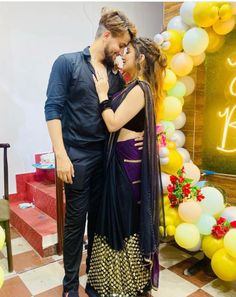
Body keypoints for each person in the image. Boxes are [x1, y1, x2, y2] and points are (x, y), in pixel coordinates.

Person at [44, 9, 137, 297]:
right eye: (120, 44)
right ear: (106, 35)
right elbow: (52, 109)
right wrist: (60, 154)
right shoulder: (68, 63)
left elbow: (123, 113)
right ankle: (70, 287)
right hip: (77, 158)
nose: (122, 51)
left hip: (107, 158)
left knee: (99, 222)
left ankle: (95, 281)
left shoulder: (115, 73)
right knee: (75, 224)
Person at [86, 37, 167, 297]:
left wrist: (101, 94)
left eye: (128, 51)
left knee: (122, 220)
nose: (123, 54)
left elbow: (112, 123)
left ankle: (122, 285)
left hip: (125, 163)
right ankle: (114, 281)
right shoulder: (132, 86)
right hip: (122, 157)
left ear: (140, 58)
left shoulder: (140, 88)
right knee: (117, 218)